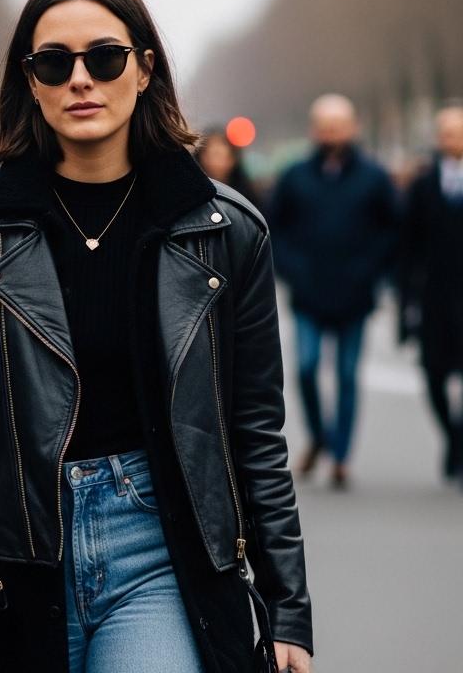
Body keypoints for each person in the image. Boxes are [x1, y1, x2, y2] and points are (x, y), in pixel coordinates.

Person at [0, 0, 312, 673]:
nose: (80, 80)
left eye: (104, 57)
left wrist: (288, 610)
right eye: (54, 62)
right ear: (29, 80)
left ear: (145, 68)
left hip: (158, 550)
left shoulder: (224, 231)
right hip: (7, 562)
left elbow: (254, 431)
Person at [266, 94, 398, 489]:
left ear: (353, 128)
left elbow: (391, 230)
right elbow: (275, 228)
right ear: (314, 130)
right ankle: (320, 437)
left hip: (355, 294)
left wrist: (370, 271)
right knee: (305, 368)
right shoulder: (294, 177)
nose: (331, 133)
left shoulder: (375, 177)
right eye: (324, 126)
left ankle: (340, 455)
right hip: (308, 293)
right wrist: (292, 270)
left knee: (346, 375)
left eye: (337, 125)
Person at [398, 105, 463, 485]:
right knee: (434, 375)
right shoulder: (423, 186)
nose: (451, 140)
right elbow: (409, 245)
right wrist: (407, 299)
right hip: (435, 298)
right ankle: (454, 437)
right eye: (446, 133)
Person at [196, 127, 260, 211]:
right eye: (213, 155)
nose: (217, 163)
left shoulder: (246, 193)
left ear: (233, 159)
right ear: (201, 158)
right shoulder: (195, 193)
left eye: (222, 156)